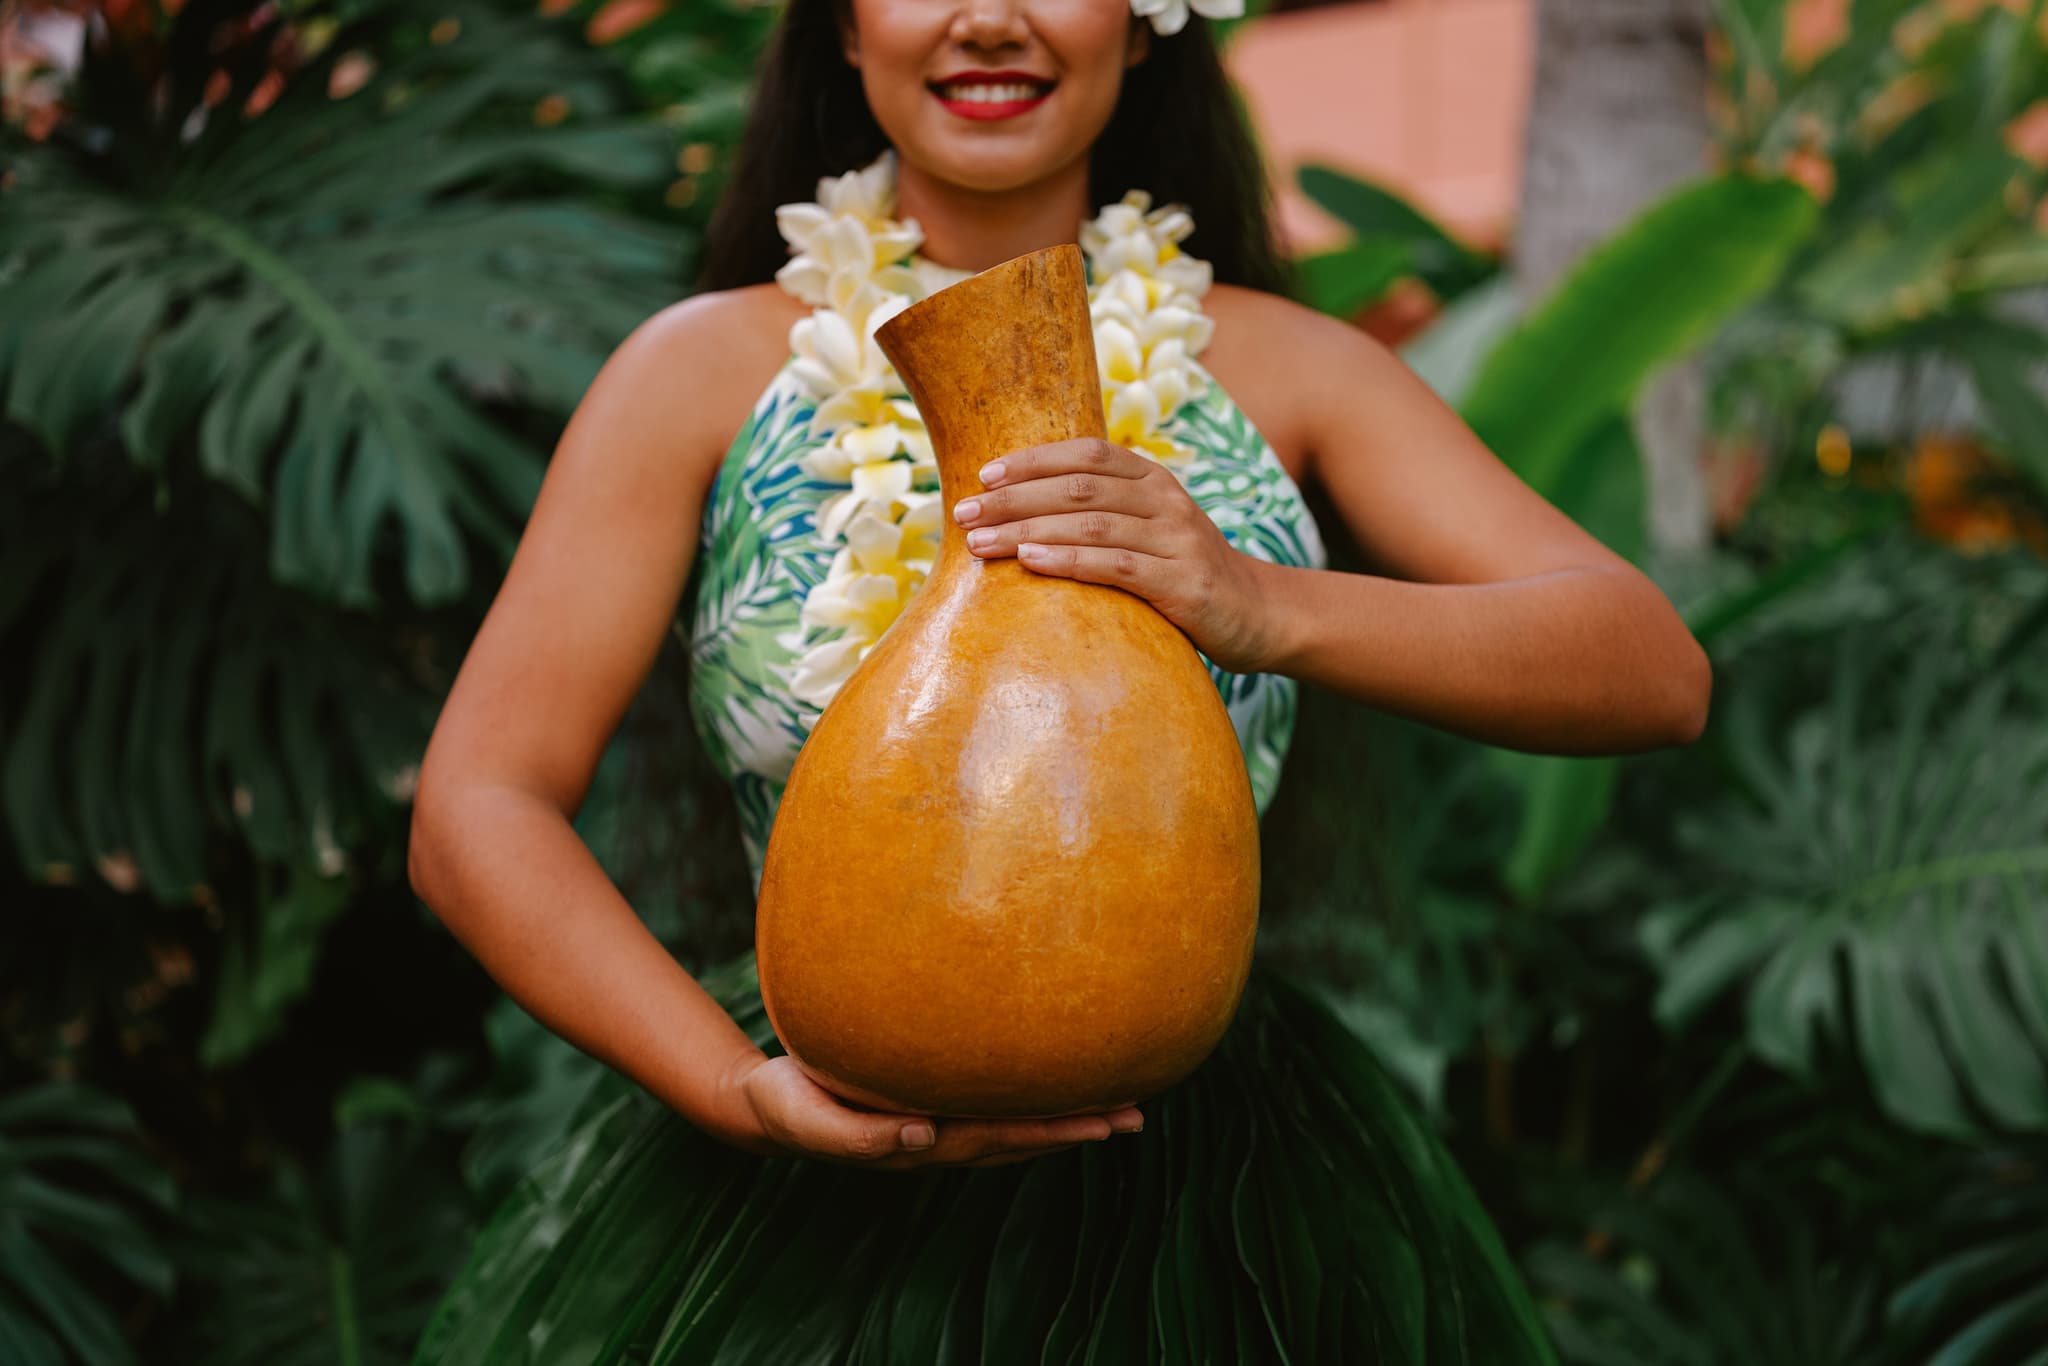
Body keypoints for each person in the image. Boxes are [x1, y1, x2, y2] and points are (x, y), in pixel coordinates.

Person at [405, 0, 1710, 1360]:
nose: (988, 19)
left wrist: (1260, 604)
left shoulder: (1288, 370)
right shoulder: (701, 377)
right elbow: (477, 802)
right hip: (803, 1173)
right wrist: (732, 1086)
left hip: (1222, 1210)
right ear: (844, 28)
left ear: (1147, 24)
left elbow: (1650, 667)